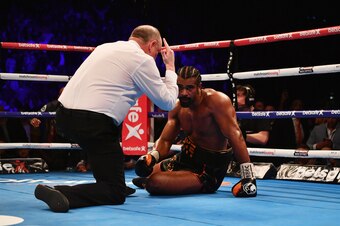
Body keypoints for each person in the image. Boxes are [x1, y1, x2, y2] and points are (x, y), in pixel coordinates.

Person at [34, 25, 178, 212]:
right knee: (114, 192)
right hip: (92, 123)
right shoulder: (143, 60)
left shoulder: (105, 47)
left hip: (63, 116)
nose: (156, 57)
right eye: (157, 52)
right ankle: (64, 193)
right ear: (152, 45)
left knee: (109, 140)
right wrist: (170, 67)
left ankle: (110, 180)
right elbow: (167, 102)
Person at [132, 66, 257, 197]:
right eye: (180, 87)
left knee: (154, 182)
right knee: (147, 171)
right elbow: (165, 140)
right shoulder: (177, 107)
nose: (184, 93)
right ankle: (169, 181)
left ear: (199, 87)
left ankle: (163, 183)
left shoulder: (216, 101)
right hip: (185, 157)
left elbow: (235, 136)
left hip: (208, 168)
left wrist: (248, 177)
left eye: (189, 88)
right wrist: (152, 157)